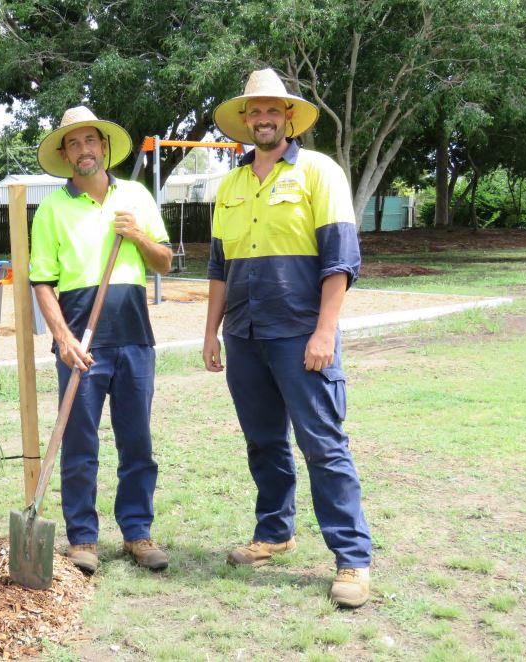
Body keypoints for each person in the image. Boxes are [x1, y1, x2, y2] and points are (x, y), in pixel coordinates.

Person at [202, 69, 372, 608]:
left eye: (272, 110)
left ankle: (351, 559)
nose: (263, 119)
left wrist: (325, 331)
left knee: (322, 444)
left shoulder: (320, 173)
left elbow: (341, 261)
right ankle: (274, 532)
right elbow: (218, 268)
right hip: (245, 335)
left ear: (290, 118)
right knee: (265, 443)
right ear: (245, 122)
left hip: (301, 336)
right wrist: (210, 331)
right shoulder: (229, 185)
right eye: (254, 112)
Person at [29, 106, 174, 573]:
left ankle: (137, 533)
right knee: (79, 443)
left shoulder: (134, 197)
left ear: (104, 148)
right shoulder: (52, 209)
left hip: (134, 338)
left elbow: (165, 262)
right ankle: (83, 539)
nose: (83, 149)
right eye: (73, 143)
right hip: (80, 344)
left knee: (137, 442)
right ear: (65, 153)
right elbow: (42, 281)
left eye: (90, 141)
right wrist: (62, 338)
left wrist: (137, 237)